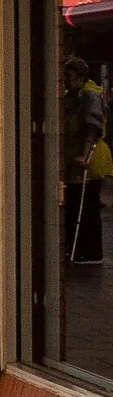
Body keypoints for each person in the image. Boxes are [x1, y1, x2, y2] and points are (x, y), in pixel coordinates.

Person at [65, 56, 110, 264]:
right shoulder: (75, 96)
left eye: (71, 78)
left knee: (87, 205)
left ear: (81, 77)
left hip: (90, 157)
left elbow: (91, 127)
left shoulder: (90, 96)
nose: (67, 82)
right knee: (76, 203)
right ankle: (81, 248)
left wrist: (85, 155)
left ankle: (91, 251)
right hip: (76, 157)